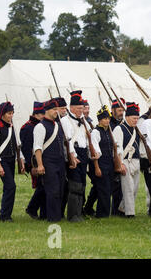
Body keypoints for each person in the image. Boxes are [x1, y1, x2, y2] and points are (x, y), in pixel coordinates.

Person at [0, 101, 25, 222]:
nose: (11, 116)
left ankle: (6, 214)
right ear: (2, 114)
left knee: (8, 188)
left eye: (12, 113)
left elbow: (15, 145)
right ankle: (4, 215)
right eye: (9, 113)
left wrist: (20, 160)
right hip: (2, 161)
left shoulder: (11, 126)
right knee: (11, 187)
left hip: (11, 161)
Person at [33, 99, 67, 222]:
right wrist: (40, 165)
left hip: (59, 162)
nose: (56, 112)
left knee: (61, 189)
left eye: (57, 109)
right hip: (48, 162)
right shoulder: (40, 126)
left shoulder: (57, 125)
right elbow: (37, 147)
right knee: (53, 191)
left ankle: (56, 215)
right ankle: (53, 218)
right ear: (46, 111)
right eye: (54, 110)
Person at [60, 90, 88, 222]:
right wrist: (73, 156)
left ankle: (79, 212)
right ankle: (73, 215)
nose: (80, 111)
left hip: (83, 153)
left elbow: (87, 138)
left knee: (82, 184)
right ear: (71, 108)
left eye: (82, 108)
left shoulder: (83, 120)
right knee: (75, 185)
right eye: (77, 108)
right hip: (74, 153)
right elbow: (68, 140)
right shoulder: (65, 121)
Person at [113, 102, 142, 218]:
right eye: (134, 118)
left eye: (137, 118)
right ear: (127, 117)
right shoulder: (119, 129)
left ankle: (122, 208)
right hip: (125, 161)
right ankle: (130, 213)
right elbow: (117, 148)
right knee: (128, 189)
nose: (136, 120)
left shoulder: (135, 130)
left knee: (134, 189)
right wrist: (120, 164)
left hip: (135, 161)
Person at [21, 101, 46, 220]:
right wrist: (32, 166)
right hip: (33, 162)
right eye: (41, 114)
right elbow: (27, 149)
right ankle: (32, 208)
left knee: (44, 185)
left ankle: (41, 211)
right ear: (36, 114)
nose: (43, 116)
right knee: (41, 186)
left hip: (41, 160)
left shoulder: (39, 125)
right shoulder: (28, 128)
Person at [89, 105, 115, 218]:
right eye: (105, 118)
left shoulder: (108, 131)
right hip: (100, 163)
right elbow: (95, 152)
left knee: (104, 189)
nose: (107, 120)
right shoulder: (96, 132)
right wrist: (97, 167)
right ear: (100, 120)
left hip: (109, 163)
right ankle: (102, 214)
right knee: (104, 190)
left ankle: (88, 208)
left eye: (108, 119)